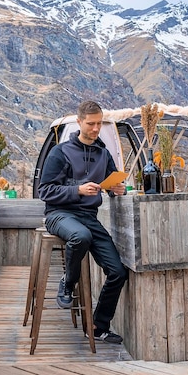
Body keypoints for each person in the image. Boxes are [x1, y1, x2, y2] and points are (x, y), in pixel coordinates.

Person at [38, 100, 128, 344]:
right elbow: (44, 191)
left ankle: (98, 326)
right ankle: (68, 282)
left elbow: (111, 186)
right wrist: (77, 190)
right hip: (59, 214)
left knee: (118, 272)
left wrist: (118, 189)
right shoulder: (60, 152)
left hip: (89, 217)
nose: (96, 129)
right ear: (79, 122)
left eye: (99, 123)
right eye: (91, 124)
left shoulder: (104, 154)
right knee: (81, 237)